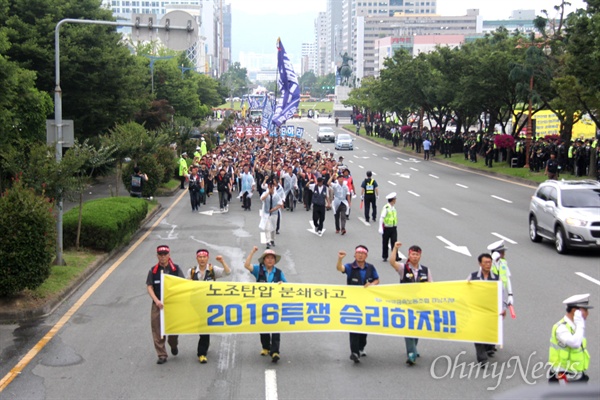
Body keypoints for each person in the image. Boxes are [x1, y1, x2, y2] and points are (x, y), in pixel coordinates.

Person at [390, 242, 432, 365]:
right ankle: (411, 353)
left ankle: (414, 347)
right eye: (413, 254)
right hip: (406, 303)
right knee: (409, 327)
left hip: (420, 303)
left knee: (417, 327)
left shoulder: (425, 270)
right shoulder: (404, 268)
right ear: (409, 255)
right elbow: (392, 262)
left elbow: (432, 285)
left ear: (420, 256)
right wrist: (395, 249)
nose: (415, 256)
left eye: (417, 254)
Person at [336, 245, 380, 363]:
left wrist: (372, 285)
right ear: (354, 255)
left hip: (366, 302)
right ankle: (354, 352)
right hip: (353, 303)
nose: (360, 255)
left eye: (363, 253)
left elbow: (377, 279)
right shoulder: (350, 267)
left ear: (366, 255)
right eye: (358, 253)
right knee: (354, 326)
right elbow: (340, 268)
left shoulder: (370, 268)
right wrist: (340, 259)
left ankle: (361, 347)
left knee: (364, 328)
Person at [187, 249, 231, 364]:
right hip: (196, 304)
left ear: (208, 258)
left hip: (210, 304)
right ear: (197, 258)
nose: (202, 259)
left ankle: (201, 353)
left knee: (204, 327)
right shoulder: (191, 272)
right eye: (200, 257)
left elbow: (227, 272)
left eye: (204, 257)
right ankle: (204, 348)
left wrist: (222, 262)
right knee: (202, 327)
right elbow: (185, 287)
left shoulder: (212, 270)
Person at [244, 246, 287, 363]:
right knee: (263, 326)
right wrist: (252, 252)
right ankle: (266, 347)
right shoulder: (258, 270)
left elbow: (287, 287)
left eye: (272, 258)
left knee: (276, 327)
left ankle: (275, 352)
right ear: (264, 260)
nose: (270, 260)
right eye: (267, 258)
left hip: (275, 305)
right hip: (261, 304)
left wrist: (282, 284)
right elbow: (247, 265)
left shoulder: (279, 272)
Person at [146, 245, 185, 365]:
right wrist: (156, 301)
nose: (163, 257)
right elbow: (149, 286)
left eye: (165, 254)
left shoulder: (175, 269)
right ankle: (162, 354)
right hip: (158, 305)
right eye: (160, 255)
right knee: (157, 330)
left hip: (172, 305)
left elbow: (183, 284)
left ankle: (173, 345)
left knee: (173, 330)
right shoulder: (153, 270)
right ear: (157, 256)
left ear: (169, 255)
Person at [467, 253, 502, 367]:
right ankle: (482, 359)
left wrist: (503, 308)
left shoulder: (496, 278)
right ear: (480, 264)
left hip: (491, 311)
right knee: (478, 333)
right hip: (477, 310)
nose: (488, 264)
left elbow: (502, 294)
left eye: (489, 262)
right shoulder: (473, 277)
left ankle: (489, 347)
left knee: (488, 332)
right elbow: (464, 291)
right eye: (485, 262)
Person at [548, 294, 592, 383]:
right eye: (585, 310)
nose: (587, 313)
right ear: (574, 311)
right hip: (562, 377)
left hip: (576, 375)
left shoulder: (574, 326)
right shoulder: (561, 328)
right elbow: (575, 344)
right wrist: (580, 325)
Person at [487, 240, 513, 308]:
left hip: (501, 293)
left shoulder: (503, 262)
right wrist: (492, 260)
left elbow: (507, 278)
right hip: (489, 294)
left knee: (501, 316)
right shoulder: (487, 263)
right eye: (502, 252)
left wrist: (510, 295)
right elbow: (482, 275)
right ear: (496, 253)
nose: (504, 254)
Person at [260, 178, 283, 249]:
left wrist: (274, 209)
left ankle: (272, 239)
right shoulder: (265, 193)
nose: (271, 189)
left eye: (272, 187)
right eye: (270, 187)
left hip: (274, 214)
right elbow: (262, 198)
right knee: (267, 228)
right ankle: (268, 241)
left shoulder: (276, 195)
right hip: (266, 213)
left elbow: (280, 204)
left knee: (273, 228)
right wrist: (268, 193)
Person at [379, 192, 399, 262]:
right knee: (385, 242)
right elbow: (382, 217)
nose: (395, 200)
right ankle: (385, 256)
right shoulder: (386, 208)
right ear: (393, 200)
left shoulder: (393, 208)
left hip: (393, 227)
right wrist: (380, 227)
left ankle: (396, 256)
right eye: (395, 199)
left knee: (394, 242)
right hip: (387, 228)